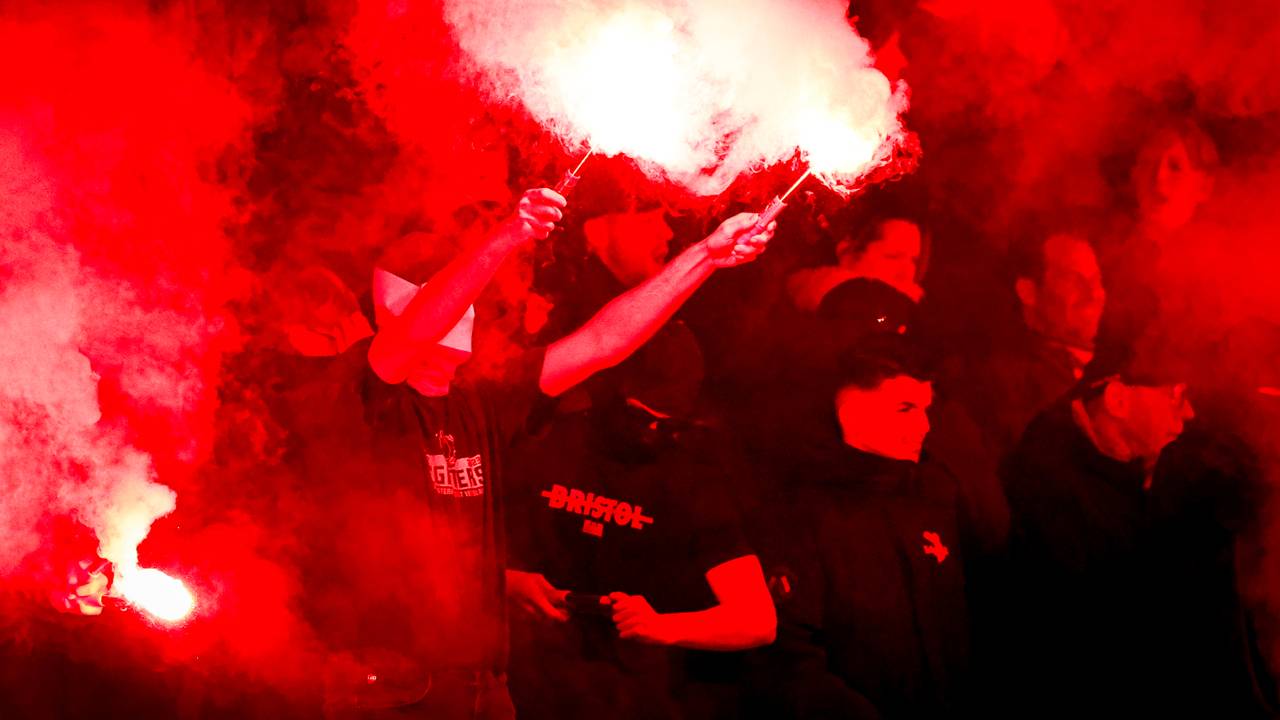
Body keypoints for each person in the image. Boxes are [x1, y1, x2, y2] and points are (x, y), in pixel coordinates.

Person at [326, 186, 774, 719]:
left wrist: (707, 256)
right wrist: (507, 235)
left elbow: (604, 341)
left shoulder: (485, 395)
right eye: (443, 286)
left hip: (483, 683)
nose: (468, 301)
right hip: (391, 689)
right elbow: (409, 337)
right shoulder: (363, 390)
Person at [505, 324, 774, 720]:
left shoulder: (693, 481)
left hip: (633, 694)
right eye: (638, 417)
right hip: (526, 679)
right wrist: (509, 581)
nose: (651, 432)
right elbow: (455, 548)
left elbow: (757, 620)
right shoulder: (547, 444)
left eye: (668, 425)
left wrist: (663, 626)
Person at [753, 337, 969, 718]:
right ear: (851, 414)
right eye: (905, 409)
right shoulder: (799, 513)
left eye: (926, 409)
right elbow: (788, 657)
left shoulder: (931, 499)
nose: (924, 426)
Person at [1001, 327, 1202, 715]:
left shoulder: (1123, 467)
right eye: (1175, 395)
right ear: (1118, 399)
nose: (1188, 412)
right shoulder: (1047, 487)